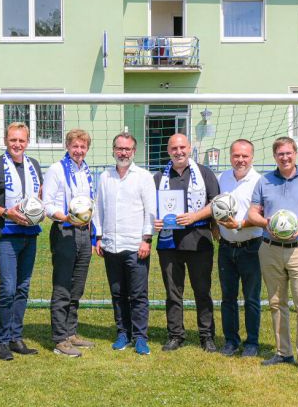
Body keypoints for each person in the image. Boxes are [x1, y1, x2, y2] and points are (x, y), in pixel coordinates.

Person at [248, 136, 298, 375]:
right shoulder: (264, 181)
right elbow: (252, 213)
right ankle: (283, 352)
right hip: (270, 249)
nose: (285, 157)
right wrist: (266, 223)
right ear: (275, 156)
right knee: (276, 303)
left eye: (288, 153)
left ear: (295, 154)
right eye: (280, 154)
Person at [0, 122, 43, 361]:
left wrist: (39, 212)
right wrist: (6, 212)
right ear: (6, 141)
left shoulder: (34, 165)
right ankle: (2, 341)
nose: (17, 144)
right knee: (8, 288)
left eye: (21, 140)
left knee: (23, 287)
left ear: (28, 142)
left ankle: (16, 337)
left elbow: (38, 196)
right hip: (5, 236)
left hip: (29, 235)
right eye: (13, 140)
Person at [153, 133, 220, 353]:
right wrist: (155, 221)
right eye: (174, 148)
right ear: (168, 151)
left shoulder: (204, 173)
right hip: (169, 244)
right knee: (173, 292)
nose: (178, 151)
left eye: (182, 147)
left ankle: (206, 336)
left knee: (202, 291)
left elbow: (216, 203)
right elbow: (151, 208)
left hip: (199, 241)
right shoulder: (158, 177)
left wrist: (195, 216)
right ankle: (175, 335)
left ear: (189, 148)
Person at [94, 132, 156, 355]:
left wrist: (146, 239)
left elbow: (150, 210)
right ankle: (123, 333)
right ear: (113, 150)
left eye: (127, 149)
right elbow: (99, 208)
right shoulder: (105, 176)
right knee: (117, 293)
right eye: (119, 148)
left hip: (135, 246)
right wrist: (99, 236)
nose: (123, 153)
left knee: (138, 295)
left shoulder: (144, 176)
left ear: (134, 152)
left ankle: (140, 337)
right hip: (111, 245)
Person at [44, 129, 97, 358]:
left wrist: (93, 234)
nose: (79, 150)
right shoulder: (56, 169)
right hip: (64, 231)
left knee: (77, 287)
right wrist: (65, 217)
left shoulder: (86, 171)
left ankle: (71, 332)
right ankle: (59, 339)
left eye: (83, 147)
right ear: (67, 146)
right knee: (63, 286)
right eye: (75, 146)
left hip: (84, 233)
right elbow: (46, 204)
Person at [215, 139, 263, 357]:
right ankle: (231, 341)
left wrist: (241, 224)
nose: (240, 160)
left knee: (251, 297)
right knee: (228, 297)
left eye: (245, 156)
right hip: (226, 248)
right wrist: (213, 227)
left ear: (252, 157)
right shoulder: (222, 178)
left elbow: (264, 216)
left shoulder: (260, 181)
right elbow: (214, 206)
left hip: (252, 247)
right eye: (236, 155)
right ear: (230, 156)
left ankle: (252, 342)